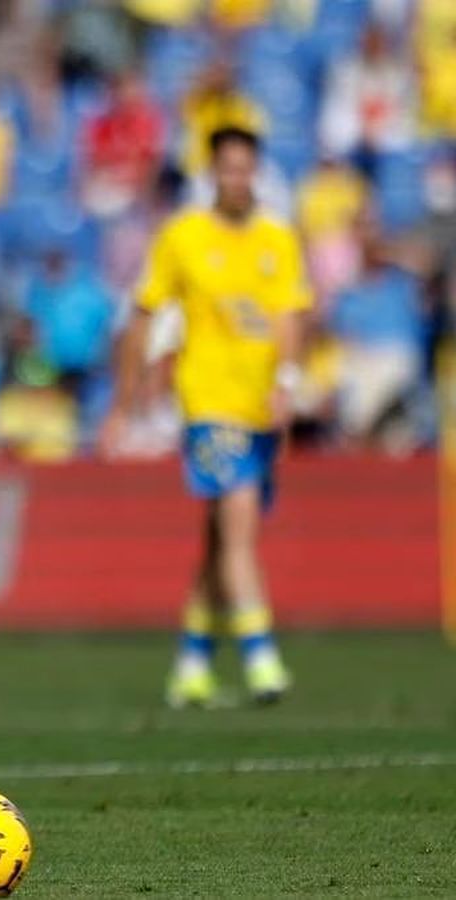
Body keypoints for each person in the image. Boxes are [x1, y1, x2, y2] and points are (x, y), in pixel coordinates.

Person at [104, 127, 310, 709]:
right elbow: (144, 313)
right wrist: (126, 400)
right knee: (239, 515)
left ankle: (192, 662)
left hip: (258, 405)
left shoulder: (278, 240)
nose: (236, 180)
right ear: (212, 174)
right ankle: (261, 656)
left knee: (220, 536)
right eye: (226, 169)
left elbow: (291, 317)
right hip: (207, 402)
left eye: (246, 169)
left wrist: (287, 384)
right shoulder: (183, 237)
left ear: (257, 174)